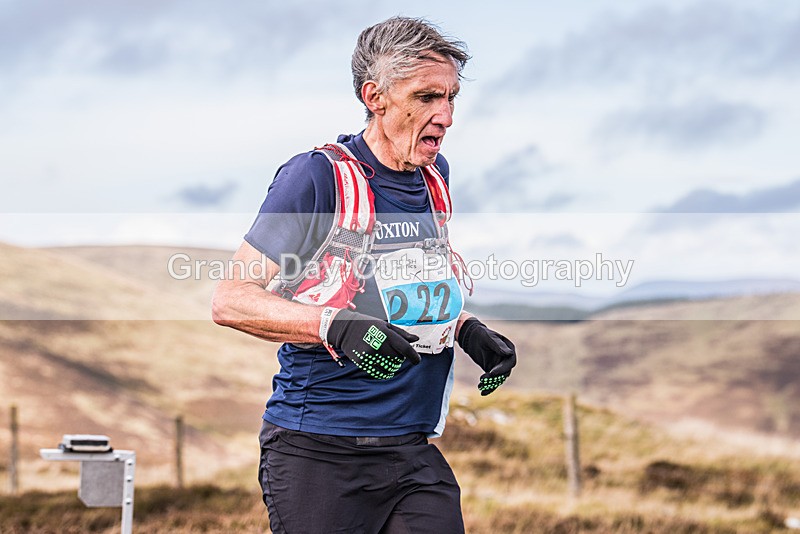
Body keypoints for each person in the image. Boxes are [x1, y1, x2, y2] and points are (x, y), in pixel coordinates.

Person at [212, 16, 517, 534]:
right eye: (426, 97)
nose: (445, 116)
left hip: (412, 452)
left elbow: (392, 285)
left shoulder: (434, 177)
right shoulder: (316, 178)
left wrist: (466, 328)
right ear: (374, 96)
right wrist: (332, 326)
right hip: (319, 455)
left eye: (451, 98)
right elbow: (231, 299)